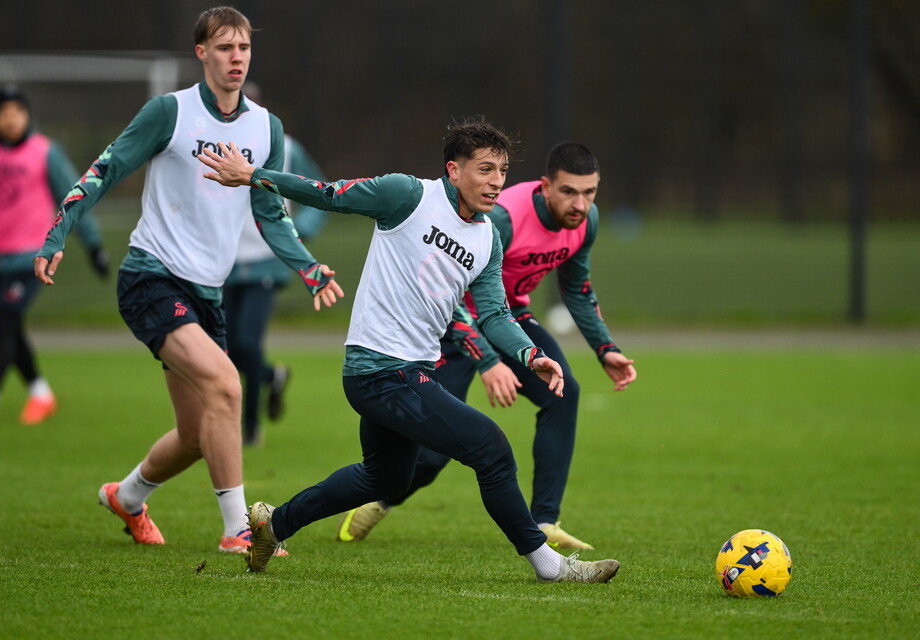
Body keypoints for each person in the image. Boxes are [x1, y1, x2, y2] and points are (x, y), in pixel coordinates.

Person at [199, 117, 620, 583]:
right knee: (491, 448)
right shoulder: (407, 195)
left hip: (412, 370)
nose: (495, 182)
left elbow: (496, 315)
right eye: (484, 169)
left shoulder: (487, 239)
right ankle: (550, 566)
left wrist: (527, 355)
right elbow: (327, 192)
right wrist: (253, 175)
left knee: (383, 479)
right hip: (377, 369)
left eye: (501, 171)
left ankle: (271, 524)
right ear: (453, 170)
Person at [33, 6, 343, 554]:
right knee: (228, 385)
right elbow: (103, 171)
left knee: (201, 433)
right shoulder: (167, 113)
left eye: (244, 48)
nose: (237, 58)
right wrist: (60, 231)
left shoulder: (265, 127)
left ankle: (125, 498)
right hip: (151, 277)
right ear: (202, 54)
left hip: (208, 293)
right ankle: (239, 531)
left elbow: (269, 213)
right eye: (225, 48)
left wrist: (309, 268)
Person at [335, 142, 637, 550]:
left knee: (563, 395)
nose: (580, 204)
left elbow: (577, 289)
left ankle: (545, 520)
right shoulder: (503, 219)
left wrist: (605, 349)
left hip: (510, 320)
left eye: (590, 193)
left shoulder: (586, 222)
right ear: (546, 186)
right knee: (432, 457)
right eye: (569, 192)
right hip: (454, 327)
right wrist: (490, 361)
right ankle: (384, 496)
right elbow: (451, 292)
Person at [0, 85, 108, 426]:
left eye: (17, 112)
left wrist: (94, 245)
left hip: (32, 258)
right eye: (4, 113)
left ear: (27, 115)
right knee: (7, 326)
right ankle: (41, 394)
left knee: (8, 316)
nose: (11, 119)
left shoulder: (45, 153)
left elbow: (75, 197)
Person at [224, 133, 328, 446]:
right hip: (224, 263)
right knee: (226, 349)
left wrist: (299, 233)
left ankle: (251, 427)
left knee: (248, 342)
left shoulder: (286, 145)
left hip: (267, 261)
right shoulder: (211, 141)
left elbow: (318, 192)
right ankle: (271, 376)